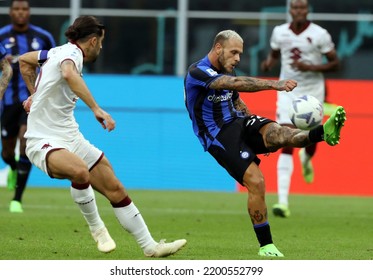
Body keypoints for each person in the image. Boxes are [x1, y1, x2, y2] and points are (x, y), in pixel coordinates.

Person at [19, 15, 186, 257]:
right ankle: (98, 229)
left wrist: (35, 94)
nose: (101, 47)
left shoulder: (53, 52)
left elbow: (25, 61)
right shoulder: (73, 55)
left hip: (70, 136)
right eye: (101, 42)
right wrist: (96, 108)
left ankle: (151, 247)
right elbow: (67, 73)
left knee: (115, 188)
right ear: (93, 41)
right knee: (79, 171)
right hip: (42, 139)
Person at [184, 29, 345, 257]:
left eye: (240, 53)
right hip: (217, 135)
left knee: (278, 133)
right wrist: (274, 85)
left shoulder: (228, 69)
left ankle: (322, 134)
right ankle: (266, 245)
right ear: (218, 48)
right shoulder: (198, 71)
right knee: (256, 181)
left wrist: (254, 125)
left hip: (238, 122)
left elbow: (235, 99)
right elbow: (235, 83)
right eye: (234, 52)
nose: (238, 58)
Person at [261, 0, 340, 218]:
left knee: (311, 138)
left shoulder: (319, 34)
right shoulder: (279, 32)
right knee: (285, 139)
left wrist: (311, 67)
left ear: (307, 10)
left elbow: (336, 63)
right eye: (295, 7)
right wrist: (269, 61)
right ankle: (282, 202)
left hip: (313, 92)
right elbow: (276, 52)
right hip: (288, 91)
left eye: (302, 7)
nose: (298, 11)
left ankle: (307, 159)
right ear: (290, 10)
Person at [0, 0, 56, 213]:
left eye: (24, 9)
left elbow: (58, 63)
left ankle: (17, 199)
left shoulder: (43, 37)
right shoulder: (1, 37)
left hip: (34, 100)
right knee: (6, 152)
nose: (21, 13)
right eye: (17, 9)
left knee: (25, 141)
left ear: (29, 12)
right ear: (10, 12)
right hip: (7, 103)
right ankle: (12, 166)